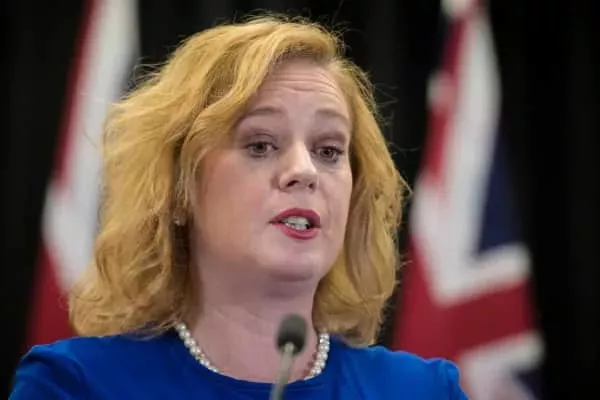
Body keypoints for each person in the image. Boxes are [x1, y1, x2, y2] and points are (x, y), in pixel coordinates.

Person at [10, 14, 468, 399]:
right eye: (261, 144)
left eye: (328, 150)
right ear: (178, 188)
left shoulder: (422, 390)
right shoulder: (76, 385)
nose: (304, 170)